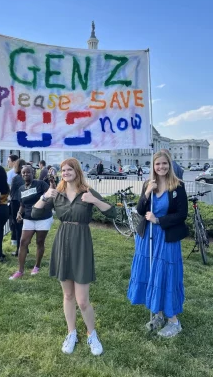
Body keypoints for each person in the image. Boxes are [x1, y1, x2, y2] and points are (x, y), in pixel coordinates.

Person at [32, 158, 116, 355]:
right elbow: (35, 214)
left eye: (70, 169)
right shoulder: (57, 194)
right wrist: (45, 196)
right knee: (68, 295)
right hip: (63, 242)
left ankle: (91, 334)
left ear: (77, 171)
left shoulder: (87, 191)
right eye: (63, 169)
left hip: (81, 243)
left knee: (82, 300)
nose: (66, 172)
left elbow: (113, 213)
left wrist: (94, 200)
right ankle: (71, 333)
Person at [127, 150, 188, 338]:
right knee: (152, 273)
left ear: (169, 165)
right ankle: (158, 314)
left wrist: (158, 220)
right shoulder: (148, 184)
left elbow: (181, 214)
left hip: (166, 238)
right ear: (152, 166)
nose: (161, 167)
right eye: (157, 164)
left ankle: (174, 321)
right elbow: (139, 210)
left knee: (166, 275)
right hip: (148, 239)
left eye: (164, 164)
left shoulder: (177, 186)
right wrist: (146, 193)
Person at [9, 165, 53, 279]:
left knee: (39, 242)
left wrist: (52, 182)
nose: (25, 175)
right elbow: (22, 204)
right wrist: (19, 213)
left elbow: (51, 194)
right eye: (23, 173)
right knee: (23, 242)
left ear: (33, 173)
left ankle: (37, 266)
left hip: (43, 218)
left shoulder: (40, 184)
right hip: (28, 218)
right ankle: (20, 270)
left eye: (28, 172)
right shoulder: (21, 188)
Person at [10, 159, 27, 257]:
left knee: (17, 226)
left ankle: (19, 249)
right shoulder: (27, 177)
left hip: (16, 202)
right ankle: (25, 247)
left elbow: (12, 193)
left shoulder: (16, 178)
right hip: (25, 202)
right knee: (25, 226)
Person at [7, 154, 19, 246]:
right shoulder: (25, 171)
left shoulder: (10, 173)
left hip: (14, 200)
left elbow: (9, 188)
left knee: (13, 220)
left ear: (14, 162)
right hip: (21, 199)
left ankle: (14, 239)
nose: (8, 163)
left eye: (9, 161)